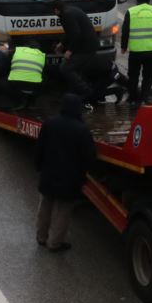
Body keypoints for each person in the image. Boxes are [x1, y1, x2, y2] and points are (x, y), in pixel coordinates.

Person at [35, 94, 96, 253]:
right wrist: (84, 174)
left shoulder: (50, 123)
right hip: (69, 178)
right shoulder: (82, 130)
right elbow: (89, 156)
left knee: (45, 206)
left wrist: (38, 166)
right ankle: (54, 243)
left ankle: (41, 237)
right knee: (63, 211)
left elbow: (40, 147)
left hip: (48, 173)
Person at [51, 0, 101, 103]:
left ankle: (86, 92)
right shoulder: (70, 10)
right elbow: (70, 32)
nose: (54, 13)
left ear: (56, 10)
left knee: (65, 68)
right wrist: (62, 43)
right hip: (87, 45)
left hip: (86, 47)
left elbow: (75, 34)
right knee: (76, 69)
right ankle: (75, 92)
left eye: (53, 11)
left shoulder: (66, 15)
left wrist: (69, 51)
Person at [121, 0, 152, 105]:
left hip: (136, 51)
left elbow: (125, 30)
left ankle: (132, 97)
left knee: (133, 75)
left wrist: (123, 46)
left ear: (137, 0)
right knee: (148, 76)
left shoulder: (131, 12)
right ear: (149, 1)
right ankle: (144, 97)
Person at [6, 41, 45, 108]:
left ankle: (17, 100)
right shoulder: (42, 55)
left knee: (2, 82)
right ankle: (31, 101)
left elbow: (8, 64)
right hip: (34, 86)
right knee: (43, 78)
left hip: (15, 85)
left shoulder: (17, 50)